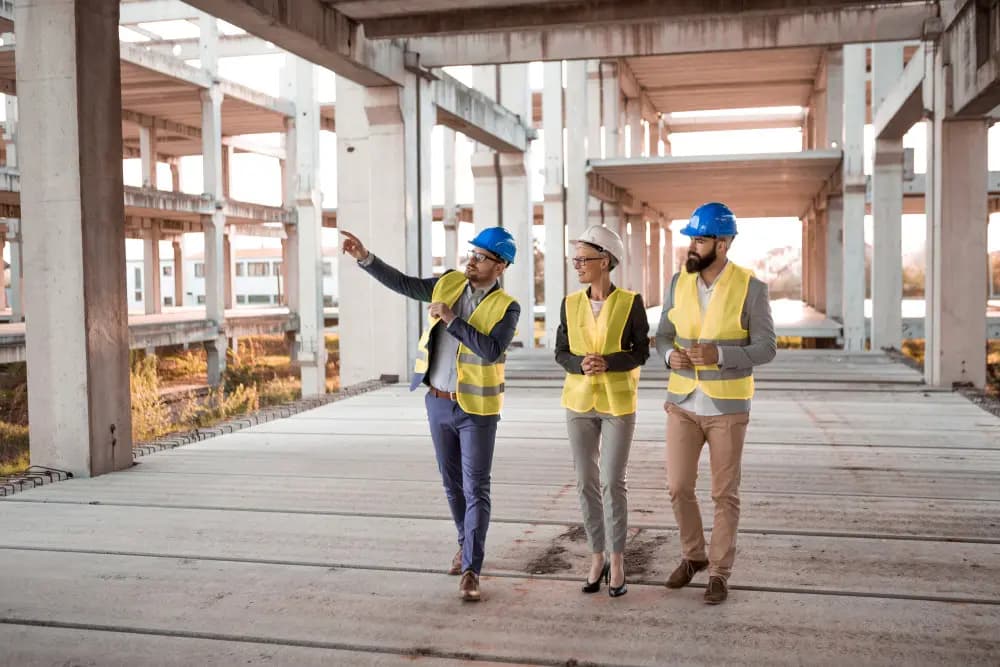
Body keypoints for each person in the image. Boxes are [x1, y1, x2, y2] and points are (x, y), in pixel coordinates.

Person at [340, 227, 520, 602]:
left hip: (477, 410)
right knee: (452, 485)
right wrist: (364, 257)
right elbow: (404, 284)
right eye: (472, 252)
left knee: (476, 489)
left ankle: (471, 568)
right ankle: (464, 545)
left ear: (500, 266)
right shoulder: (448, 284)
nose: (472, 259)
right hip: (437, 402)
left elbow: (490, 350)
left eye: (482, 256)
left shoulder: (508, 307)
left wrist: (453, 320)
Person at [655, 202, 776, 605]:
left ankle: (720, 572)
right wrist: (669, 354)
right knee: (677, 487)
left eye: (700, 239)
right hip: (683, 402)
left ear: (722, 244)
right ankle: (694, 555)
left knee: (725, 494)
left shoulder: (751, 287)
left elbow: (766, 348)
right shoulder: (678, 283)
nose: (692, 246)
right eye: (691, 238)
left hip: (727, 407)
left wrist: (721, 355)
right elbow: (664, 335)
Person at [555, 225, 649, 598]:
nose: (577, 265)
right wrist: (580, 365)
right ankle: (597, 555)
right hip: (578, 402)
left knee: (612, 481)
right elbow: (562, 353)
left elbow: (641, 351)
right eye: (574, 259)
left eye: (583, 259)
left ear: (605, 261)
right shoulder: (569, 303)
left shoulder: (630, 302)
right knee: (585, 482)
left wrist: (608, 362)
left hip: (617, 403)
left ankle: (618, 558)